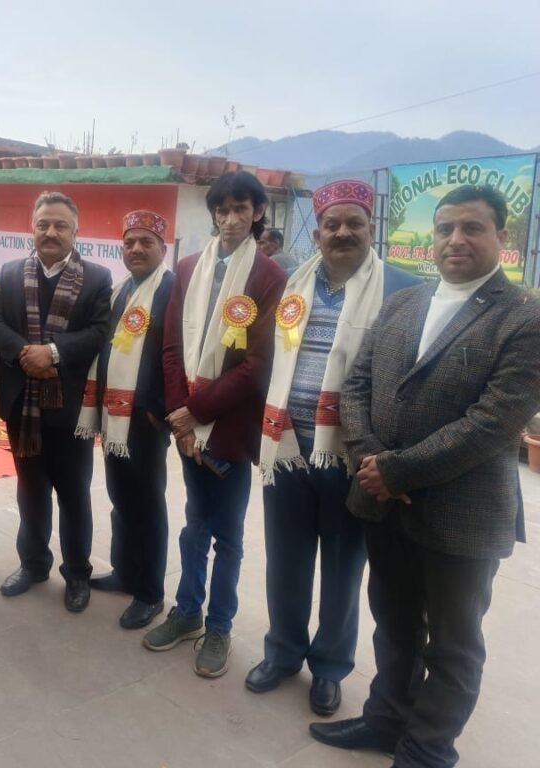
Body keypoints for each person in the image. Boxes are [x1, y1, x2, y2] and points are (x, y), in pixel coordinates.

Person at [311, 185, 540, 767]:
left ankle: (427, 750)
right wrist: (371, 459)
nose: (455, 240)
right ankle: (385, 720)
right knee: (394, 624)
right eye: (445, 229)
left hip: (461, 513)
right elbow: (357, 385)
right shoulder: (404, 303)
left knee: (454, 644)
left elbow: (493, 423)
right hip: (384, 502)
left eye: (472, 228)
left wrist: (395, 469)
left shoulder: (525, 316)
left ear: (503, 237)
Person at [249, 180, 420, 716]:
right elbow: (266, 359)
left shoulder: (404, 290)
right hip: (287, 448)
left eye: (354, 223)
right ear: (318, 232)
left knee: (343, 570)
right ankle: (282, 653)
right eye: (331, 224)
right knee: (286, 562)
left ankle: (329, 668)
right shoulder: (292, 285)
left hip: (351, 458)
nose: (342, 232)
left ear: (372, 228)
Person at [143, 171, 286, 677]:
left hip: (230, 426)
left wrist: (198, 412)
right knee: (194, 526)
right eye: (222, 211)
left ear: (257, 213)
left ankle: (220, 626)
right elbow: (170, 347)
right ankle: (187, 612)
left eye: (240, 209)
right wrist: (181, 418)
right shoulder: (188, 268)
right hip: (188, 426)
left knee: (227, 535)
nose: (230, 220)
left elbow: (258, 364)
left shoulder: (268, 277)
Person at [0, 190, 112, 613]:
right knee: (30, 490)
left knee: (74, 495)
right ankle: (33, 564)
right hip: (22, 406)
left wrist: (54, 353)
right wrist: (27, 353)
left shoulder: (97, 278)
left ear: (76, 231)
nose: (51, 232)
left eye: (61, 225)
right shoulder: (9, 273)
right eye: (43, 224)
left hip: (70, 409)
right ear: (32, 227)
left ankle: (76, 573)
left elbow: (99, 331)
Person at [80, 210, 174, 629]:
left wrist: (159, 410)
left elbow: (176, 355)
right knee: (121, 498)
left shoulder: (170, 290)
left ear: (162, 248)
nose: (136, 249)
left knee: (148, 504)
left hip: (145, 419)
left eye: (145, 242)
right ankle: (125, 572)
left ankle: (150, 592)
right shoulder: (121, 291)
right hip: (114, 414)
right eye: (129, 242)